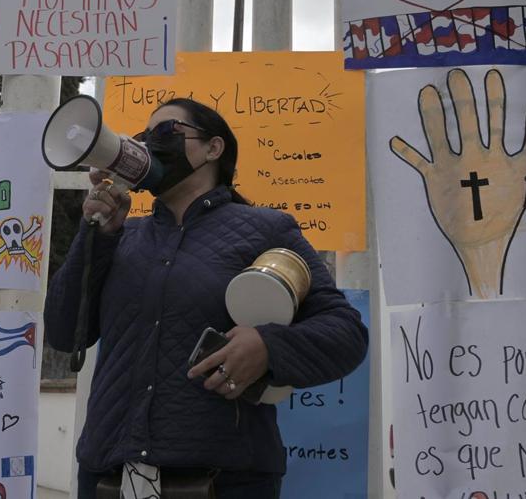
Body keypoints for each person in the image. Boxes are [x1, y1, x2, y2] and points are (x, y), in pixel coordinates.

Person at [44, 98, 369, 499]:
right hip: (110, 475)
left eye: (167, 132)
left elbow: (345, 333)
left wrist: (269, 347)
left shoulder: (267, 229)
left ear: (214, 149)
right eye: (146, 137)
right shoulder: (122, 237)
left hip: (226, 479)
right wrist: (95, 235)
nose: (151, 145)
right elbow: (62, 332)